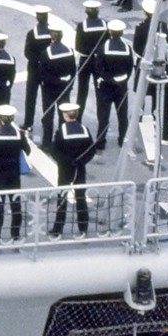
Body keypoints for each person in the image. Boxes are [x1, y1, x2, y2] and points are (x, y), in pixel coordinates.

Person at [48, 101, 97, 237]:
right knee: (80, 198)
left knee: (62, 197)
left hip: (65, 170)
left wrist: (66, 162)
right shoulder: (84, 130)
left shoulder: (61, 131)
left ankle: (58, 228)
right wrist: (81, 161)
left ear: (65, 115)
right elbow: (91, 150)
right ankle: (83, 227)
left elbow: (54, 151)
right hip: (80, 169)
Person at [0, 104, 27, 243]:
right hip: (14, 174)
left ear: (0, 119)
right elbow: (27, 150)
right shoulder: (19, 135)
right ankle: (15, 233)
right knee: (16, 205)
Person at [92, 19, 135, 150]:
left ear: (110, 32)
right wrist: (121, 79)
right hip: (121, 87)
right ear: (121, 32)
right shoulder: (127, 49)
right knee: (122, 115)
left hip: (105, 87)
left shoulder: (103, 48)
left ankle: (101, 141)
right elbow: (129, 68)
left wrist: (109, 79)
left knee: (103, 116)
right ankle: (123, 139)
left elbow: (98, 68)